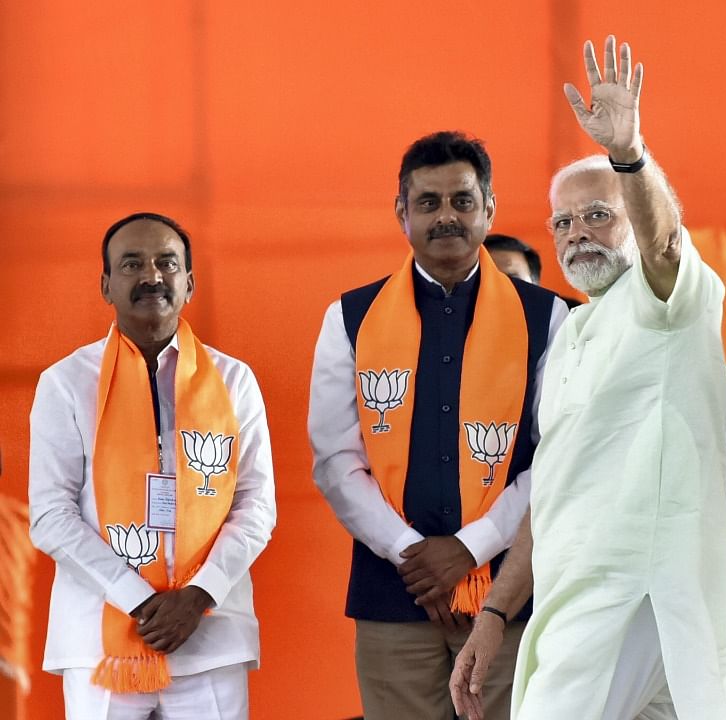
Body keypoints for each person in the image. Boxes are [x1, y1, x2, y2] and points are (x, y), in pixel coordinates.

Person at [448, 36, 726, 719]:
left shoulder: (666, 299)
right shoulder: (572, 336)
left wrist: (630, 155)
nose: (577, 232)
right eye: (563, 222)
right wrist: (494, 613)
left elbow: (665, 242)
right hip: (585, 592)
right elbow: (553, 492)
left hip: (639, 594)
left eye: (598, 215)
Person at [308, 133, 567, 720]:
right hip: (393, 595)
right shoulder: (351, 317)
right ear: (401, 213)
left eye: (461, 200)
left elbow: (555, 457)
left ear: (489, 209)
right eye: (428, 203)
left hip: (510, 596)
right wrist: (413, 555)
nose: (446, 216)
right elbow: (335, 460)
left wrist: (469, 549)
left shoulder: (547, 316)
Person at [29, 213, 277, 719]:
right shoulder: (65, 383)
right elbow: (51, 516)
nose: (152, 276)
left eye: (167, 262)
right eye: (132, 264)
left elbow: (256, 506)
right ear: (106, 285)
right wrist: (138, 601)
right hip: (100, 638)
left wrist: (198, 596)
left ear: (190, 281)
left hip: (209, 632)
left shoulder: (233, 381)